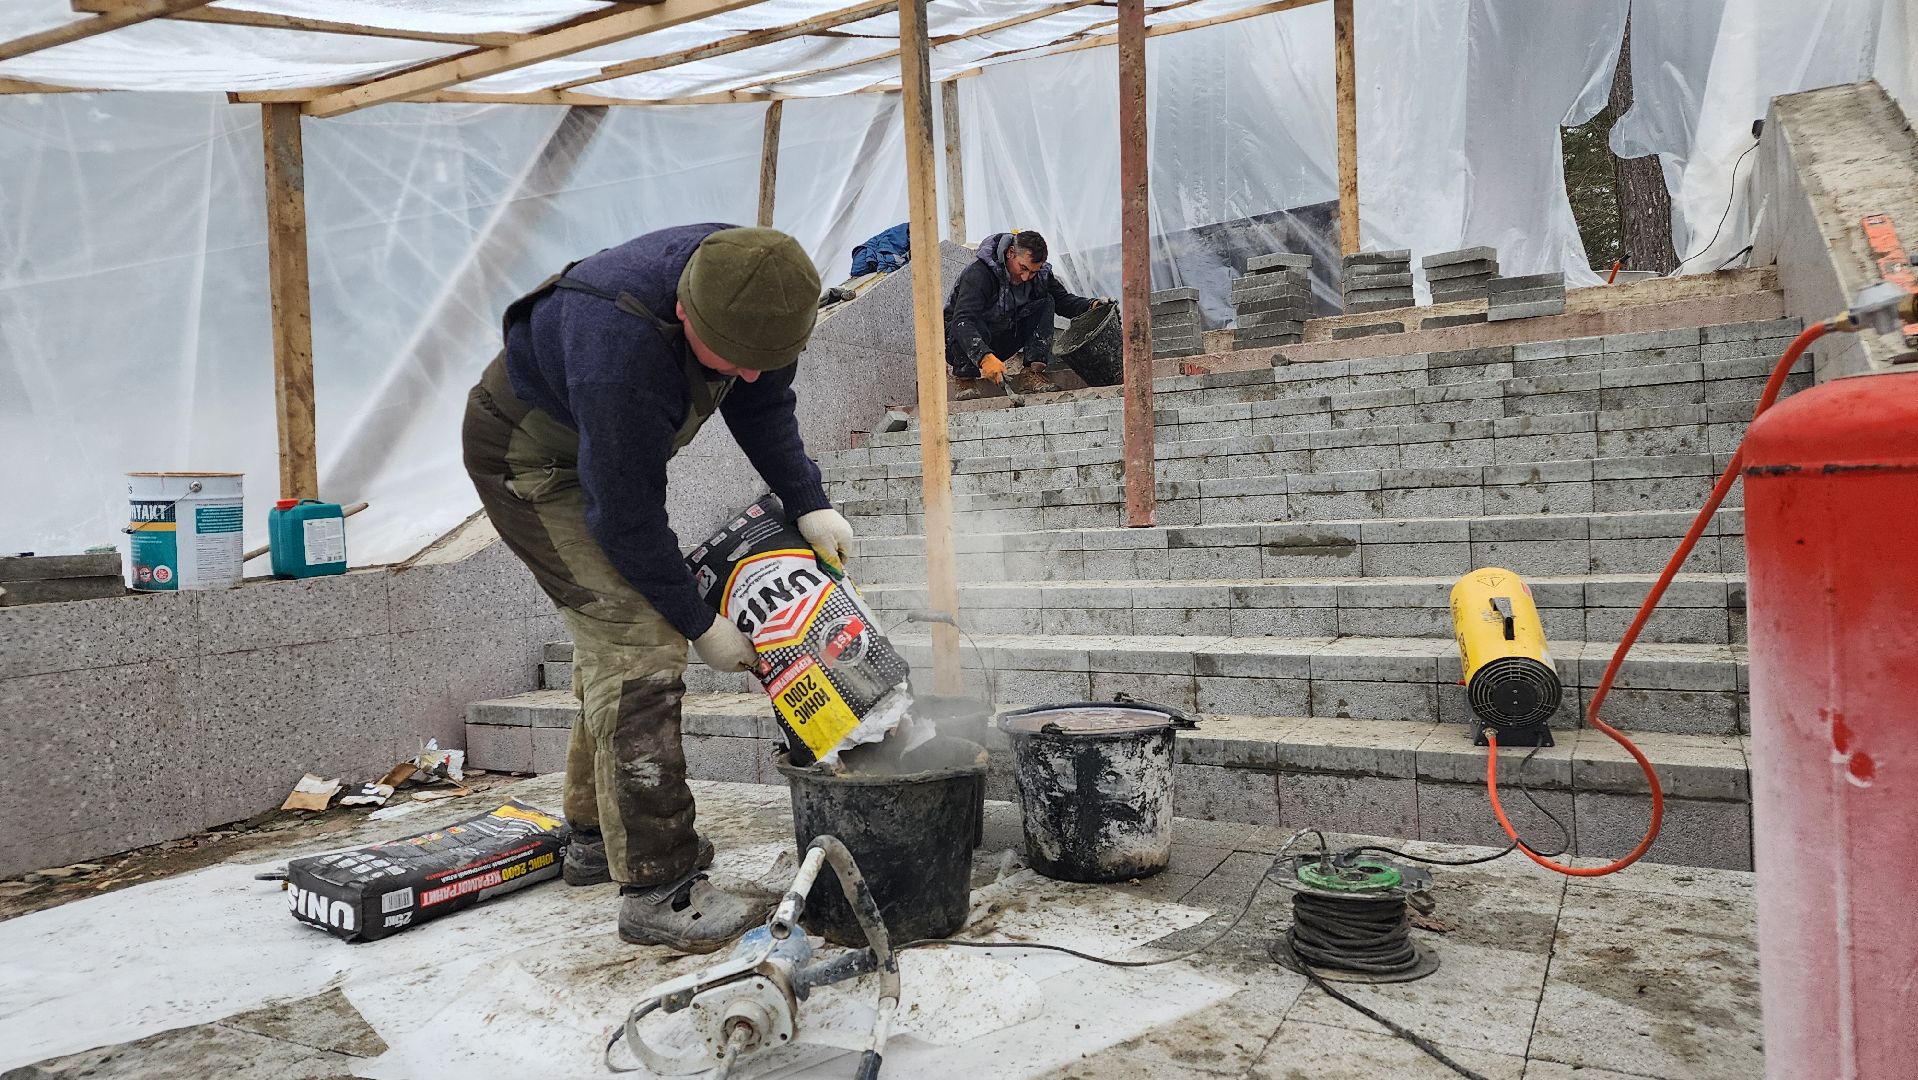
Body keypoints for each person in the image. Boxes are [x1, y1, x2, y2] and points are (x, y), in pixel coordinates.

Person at [461, 224, 855, 954]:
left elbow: (761, 400)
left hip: (598, 448)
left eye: (757, 360)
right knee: (638, 641)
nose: (741, 372)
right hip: (532, 458)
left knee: (620, 644)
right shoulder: (619, 349)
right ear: (684, 314)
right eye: (725, 360)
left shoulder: (766, 289)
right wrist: (699, 622)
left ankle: (589, 835)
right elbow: (628, 519)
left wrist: (807, 497)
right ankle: (656, 886)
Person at [944, 229, 1104, 400]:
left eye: (1033, 271)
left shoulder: (1039, 276)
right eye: (1023, 268)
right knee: (965, 321)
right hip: (960, 341)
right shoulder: (979, 273)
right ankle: (965, 379)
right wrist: (983, 357)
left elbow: (1064, 302)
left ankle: (1032, 374)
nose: (1027, 277)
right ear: (1010, 253)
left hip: (1000, 338)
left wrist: (1092, 306)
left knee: (1047, 301)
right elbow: (963, 320)